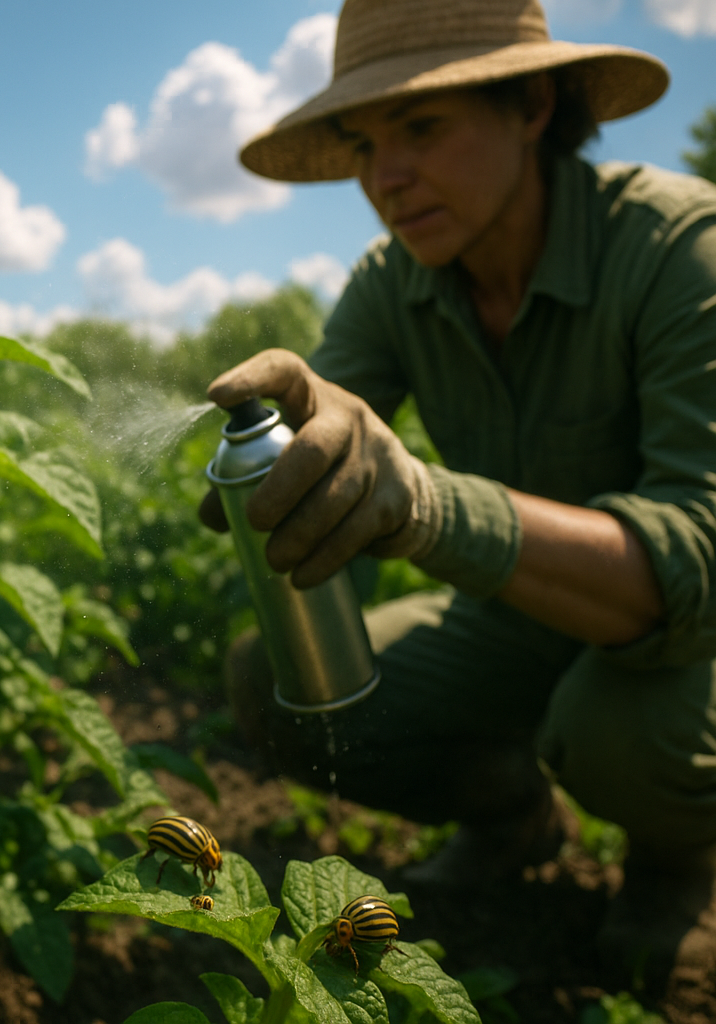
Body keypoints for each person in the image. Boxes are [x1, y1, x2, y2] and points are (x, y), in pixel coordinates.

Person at [199, 0, 716, 998]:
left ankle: (682, 861)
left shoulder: (675, 247)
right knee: (283, 685)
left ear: (532, 104)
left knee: (622, 733)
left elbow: (700, 560)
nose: (385, 179)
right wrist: (285, 463)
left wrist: (427, 508)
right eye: (361, 143)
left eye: (423, 128)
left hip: (688, 649)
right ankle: (510, 812)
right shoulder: (396, 284)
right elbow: (325, 423)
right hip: (524, 623)